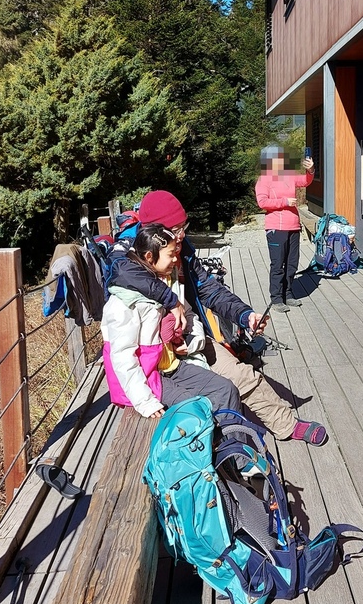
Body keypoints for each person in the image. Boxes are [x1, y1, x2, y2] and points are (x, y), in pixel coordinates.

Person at [108, 190, 328, 445]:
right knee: (210, 394)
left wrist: (244, 316)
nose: (182, 235)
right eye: (176, 229)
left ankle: (286, 425)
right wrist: (172, 301)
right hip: (150, 360)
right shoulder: (126, 252)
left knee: (241, 374)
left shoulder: (182, 248)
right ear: (156, 232)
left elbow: (209, 289)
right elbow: (121, 274)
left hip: (189, 337)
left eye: (183, 228)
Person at [101, 224, 240, 417]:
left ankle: (235, 444)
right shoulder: (124, 303)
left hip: (169, 364)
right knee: (198, 410)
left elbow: (186, 314)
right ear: (149, 257)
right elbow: (123, 358)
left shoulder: (161, 283)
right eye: (170, 255)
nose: (176, 259)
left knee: (226, 389)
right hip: (147, 376)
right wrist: (145, 402)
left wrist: (188, 340)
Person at [254, 145, 315, 312]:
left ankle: (288, 294)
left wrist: (310, 170)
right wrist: (285, 202)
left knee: (291, 264)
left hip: (293, 226)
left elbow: (305, 181)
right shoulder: (264, 179)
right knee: (277, 265)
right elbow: (262, 203)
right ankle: (276, 298)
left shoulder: (289, 175)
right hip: (275, 228)